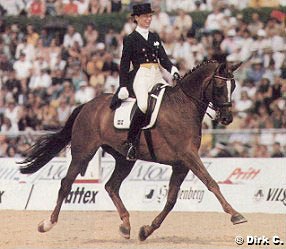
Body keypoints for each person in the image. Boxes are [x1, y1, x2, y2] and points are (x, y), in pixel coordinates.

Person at [115, 3, 180, 161]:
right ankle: (131, 142)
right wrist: (123, 85)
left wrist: (172, 69)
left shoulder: (154, 37)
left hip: (156, 74)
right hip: (141, 75)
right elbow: (125, 64)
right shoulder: (130, 39)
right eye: (145, 16)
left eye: (150, 16)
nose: (148, 19)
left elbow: (163, 58)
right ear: (136, 18)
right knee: (143, 105)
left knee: (170, 100)